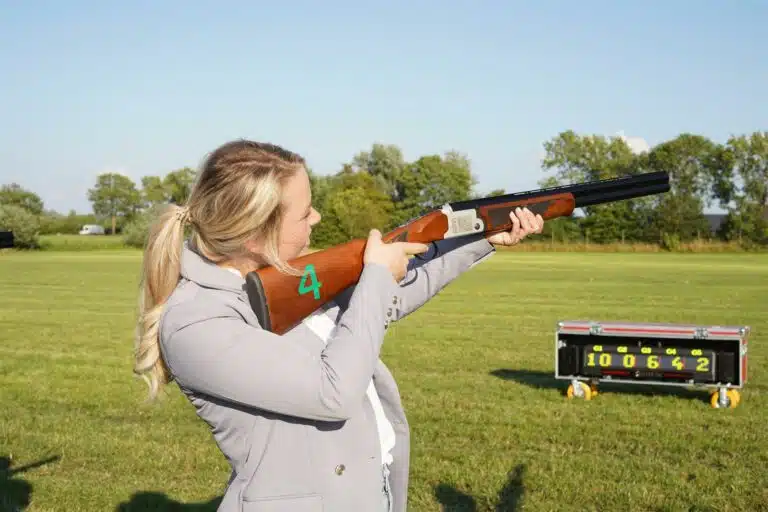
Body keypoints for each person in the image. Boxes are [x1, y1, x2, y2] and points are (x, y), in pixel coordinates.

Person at [133, 139, 544, 512]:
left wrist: (483, 237)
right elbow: (333, 392)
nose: (316, 216)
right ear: (255, 235)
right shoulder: (195, 323)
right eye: (304, 213)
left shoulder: (281, 274)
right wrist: (376, 276)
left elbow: (387, 300)